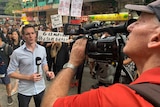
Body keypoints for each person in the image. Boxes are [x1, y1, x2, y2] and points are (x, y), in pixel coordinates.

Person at [41, 0, 160, 107]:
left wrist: (72, 63)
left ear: (156, 39)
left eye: (139, 22)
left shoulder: (114, 99)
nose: (129, 27)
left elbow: (50, 104)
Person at [7, 24, 55, 107]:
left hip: (40, 87)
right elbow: (10, 72)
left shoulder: (42, 49)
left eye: (32, 33)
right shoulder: (17, 53)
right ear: (23, 36)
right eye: (27, 34)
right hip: (24, 89)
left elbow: (44, 62)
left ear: (35, 34)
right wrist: (29, 77)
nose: (31, 36)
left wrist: (47, 72)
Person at [0, 33, 13, 105]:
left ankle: (9, 95)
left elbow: (12, 59)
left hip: (5, 70)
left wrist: (10, 69)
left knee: (7, 83)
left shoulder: (7, 47)